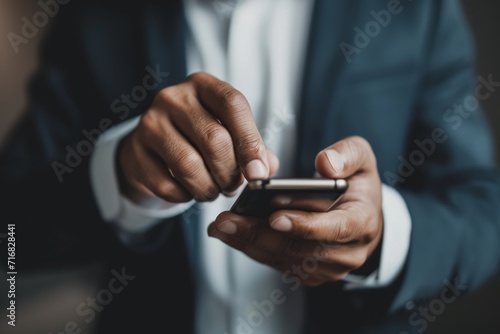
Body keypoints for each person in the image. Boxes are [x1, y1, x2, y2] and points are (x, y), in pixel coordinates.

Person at [1, 0, 499, 333]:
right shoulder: (96, 14)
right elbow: (14, 231)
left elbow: (484, 214)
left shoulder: (415, 9)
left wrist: (383, 236)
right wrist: (116, 177)